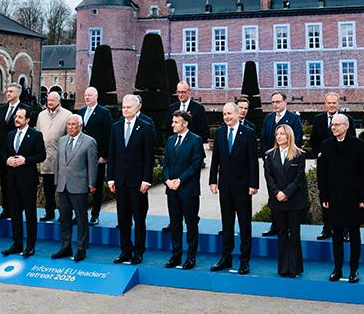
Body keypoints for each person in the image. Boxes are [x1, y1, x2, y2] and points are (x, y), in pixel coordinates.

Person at [317, 114, 364, 283]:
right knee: (336, 234)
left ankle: (354, 269)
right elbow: (322, 173)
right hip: (333, 197)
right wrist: (323, 195)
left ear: (346, 126)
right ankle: (337, 268)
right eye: (332, 125)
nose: (334, 128)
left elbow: (363, 173)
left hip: (354, 198)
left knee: (354, 234)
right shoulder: (326, 145)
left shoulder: (358, 145)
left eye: (338, 125)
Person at [209, 102, 259, 275]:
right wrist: (212, 181)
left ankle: (244, 260)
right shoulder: (220, 132)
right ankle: (226, 257)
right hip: (225, 186)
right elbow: (216, 159)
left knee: (245, 224)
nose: (226, 117)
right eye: (224, 114)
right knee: (227, 223)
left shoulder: (249, 133)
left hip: (244, 187)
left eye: (229, 113)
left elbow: (253, 161)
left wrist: (254, 184)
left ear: (238, 114)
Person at [108, 94, 155, 265]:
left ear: (137, 108)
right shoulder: (116, 127)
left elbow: (149, 157)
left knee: (139, 218)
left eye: (128, 107)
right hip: (120, 181)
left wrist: (146, 180)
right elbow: (112, 154)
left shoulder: (146, 128)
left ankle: (138, 251)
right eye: (124, 107)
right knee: (123, 218)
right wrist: (110, 178)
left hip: (138, 183)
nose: (125, 110)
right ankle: (125, 250)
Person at [309, 92, 356, 240]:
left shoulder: (348, 120)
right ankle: (327, 227)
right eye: (329, 103)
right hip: (325, 166)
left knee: (345, 197)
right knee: (325, 195)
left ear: (338, 104)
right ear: (325, 104)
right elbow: (313, 140)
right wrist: (320, 154)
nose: (331, 105)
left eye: (334, 103)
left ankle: (346, 229)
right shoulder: (318, 119)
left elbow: (352, 140)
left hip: (343, 167)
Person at [51, 114, 98, 262]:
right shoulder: (62, 140)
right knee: (64, 218)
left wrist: (92, 184)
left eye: (74, 125)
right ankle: (66, 247)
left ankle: (81, 248)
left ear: (80, 126)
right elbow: (58, 163)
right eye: (68, 124)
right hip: (63, 185)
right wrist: (56, 181)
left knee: (81, 219)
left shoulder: (89, 142)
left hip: (79, 186)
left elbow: (92, 165)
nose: (70, 127)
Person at [162, 110, 205, 269]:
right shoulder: (170, 140)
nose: (172, 124)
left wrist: (180, 180)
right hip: (171, 190)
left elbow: (196, 164)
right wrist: (167, 180)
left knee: (191, 224)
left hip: (188, 190)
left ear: (185, 123)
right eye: (172, 121)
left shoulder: (196, 140)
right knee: (175, 223)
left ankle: (191, 257)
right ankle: (176, 255)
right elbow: (165, 163)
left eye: (176, 122)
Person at [1, 107, 46, 257]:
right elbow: (4, 153)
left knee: (30, 213)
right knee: (14, 213)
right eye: (16, 116)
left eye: (20, 117)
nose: (16, 119)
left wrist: (25, 160)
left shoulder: (35, 135)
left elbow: (41, 155)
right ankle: (17, 243)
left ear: (27, 120)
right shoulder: (10, 135)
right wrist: (6, 160)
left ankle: (30, 245)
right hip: (12, 179)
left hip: (27, 180)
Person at [264, 124, 307, 277]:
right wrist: (277, 193)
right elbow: (268, 177)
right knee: (282, 233)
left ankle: (295, 268)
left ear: (289, 135)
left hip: (294, 200)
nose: (279, 136)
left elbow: (299, 178)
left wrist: (286, 193)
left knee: (294, 234)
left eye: (282, 133)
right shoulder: (269, 155)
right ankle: (283, 267)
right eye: (277, 134)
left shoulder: (299, 154)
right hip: (277, 201)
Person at [260, 91, 303, 237]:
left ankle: (290, 224)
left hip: (290, 164)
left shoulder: (294, 118)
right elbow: (264, 138)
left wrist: (289, 156)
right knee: (273, 193)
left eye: (278, 102)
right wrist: (268, 157)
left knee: (288, 191)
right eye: (273, 102)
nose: (275, 105)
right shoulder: (268, 118)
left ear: (285, 102)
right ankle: (275, 224)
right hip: (272, 163)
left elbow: (297, 139)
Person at [0, 82, 31, 219]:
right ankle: (6, 209)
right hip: (3, 154)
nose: (8, 93)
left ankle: (18, 209)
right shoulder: (2, 109)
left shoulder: (25, 109)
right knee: (5, 182)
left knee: (18, 183)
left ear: (18, 93)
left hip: (18, 153)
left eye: (11, 91)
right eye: (7, 91)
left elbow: (28, 132)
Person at [77, 86, 112, 226]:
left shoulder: (104, 113)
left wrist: (104, 156)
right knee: (80, 187)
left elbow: (108, 135)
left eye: (90, 95)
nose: (87, 97)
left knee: (96, 187)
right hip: (80, 156)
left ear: (96, 96)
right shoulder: (80, 112)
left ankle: (95, 215)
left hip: (97, 157)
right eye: (85, 95)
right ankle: (80, 214)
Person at [36, 91, 71, 222]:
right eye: (48, 100)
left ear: (59, 101)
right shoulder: (41, 115)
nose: (50, 102)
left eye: (53, 100)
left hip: (61, 159)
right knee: (48, 188)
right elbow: (38, 135)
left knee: (63, 190)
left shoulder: (68, 115)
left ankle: (64, 213)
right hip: (45, 158)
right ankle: (49, 212)